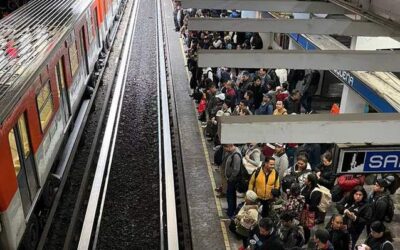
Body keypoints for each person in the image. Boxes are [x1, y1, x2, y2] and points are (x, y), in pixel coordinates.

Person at [222, 144, 242, 218]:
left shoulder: (236, 155)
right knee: (230, 195)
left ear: (229, 146)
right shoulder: (232, 153)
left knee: (231, 195)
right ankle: (230, 209)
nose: (225, 150)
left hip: (233, 180)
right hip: (231, 179)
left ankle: (231, 212)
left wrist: (230, 178)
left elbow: (236, 170)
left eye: (226, 148)